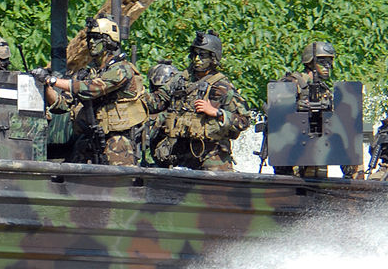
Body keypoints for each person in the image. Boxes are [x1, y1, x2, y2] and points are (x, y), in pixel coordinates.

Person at [34, 17, 147, 166]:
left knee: (118, 185)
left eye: (97, 38)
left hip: (116, 142)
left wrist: (53, 81)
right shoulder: (86, 74)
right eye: (90, 38)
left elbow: (93, 88)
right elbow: (61, 105)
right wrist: (45, 84)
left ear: (108, 41)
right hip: (88, 141)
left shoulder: (122, 69)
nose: (92, 43)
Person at [148, 30, 253, 170]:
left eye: (202, 55)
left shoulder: (222, 86)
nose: (197, 59)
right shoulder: (180, 80)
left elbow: (244, 121)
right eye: (195, 54)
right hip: (180, 154)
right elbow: (158, 100)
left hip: (211, 157)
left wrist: (216, 112)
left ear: (213, 58)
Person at [277, 39, 352, 178]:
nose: (327, 66)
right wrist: (300, 108)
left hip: (318, 153)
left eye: (329, 62)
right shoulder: (293, 82)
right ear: (310, 62)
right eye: (322, 62)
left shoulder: (325, 91)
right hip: (294, 154)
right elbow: (277, 114)